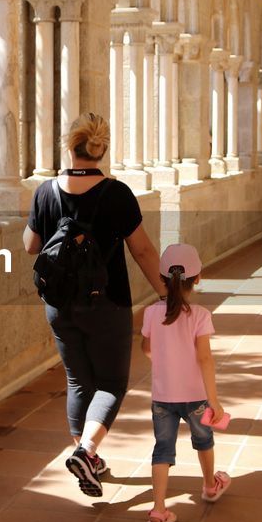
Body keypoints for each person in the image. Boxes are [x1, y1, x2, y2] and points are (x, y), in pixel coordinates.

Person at [24, 113, 166, 497]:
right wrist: (169, 295)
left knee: (77, 380)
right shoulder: (116, 193)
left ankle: (88, 458)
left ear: (70, 146)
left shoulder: (46, 191)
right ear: (101, 149)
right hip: (108, 304)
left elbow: (30, 245)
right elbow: (143, 250)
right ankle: (87, 451)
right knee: (112, 383)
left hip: (59, 305)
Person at [140, 243, 231, 522]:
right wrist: (214, 401)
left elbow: (147, 349)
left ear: (162, 278)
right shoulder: (201, 315)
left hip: (163, 397)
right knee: (203, 441)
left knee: (162, 450)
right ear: (198, 277)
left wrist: (166, 360)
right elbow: (205, 359)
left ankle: (157, 509)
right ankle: (209, 486)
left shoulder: (151, 314)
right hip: (196, 398)